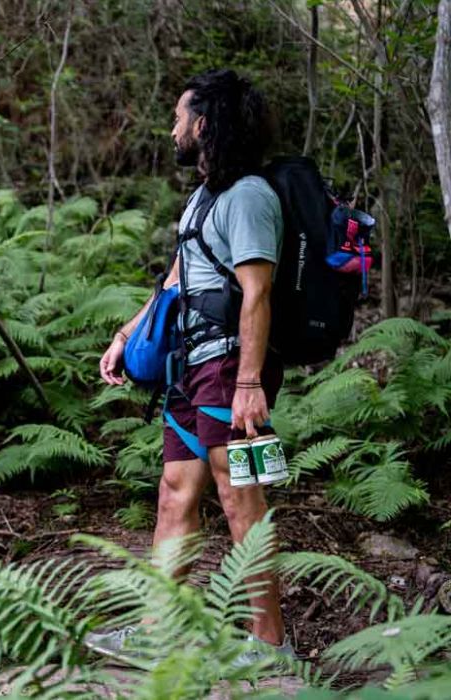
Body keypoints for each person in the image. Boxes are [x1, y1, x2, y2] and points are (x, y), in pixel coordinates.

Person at [91, 70, 293, 666]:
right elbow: (178, 279)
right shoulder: (204, 198)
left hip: (230, 370)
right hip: (187, 370)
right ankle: (161, 631)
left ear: (203, 124)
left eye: (178, 117)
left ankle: (271, 644)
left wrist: (251, 384)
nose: (172, 128)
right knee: (175, 493)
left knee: (241, 500)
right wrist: (127, 335)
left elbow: (257, 294)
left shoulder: (250, 196)